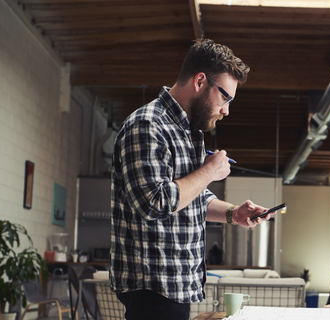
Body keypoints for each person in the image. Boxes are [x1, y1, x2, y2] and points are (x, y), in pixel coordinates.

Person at [110, 39, 273, 320]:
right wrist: (209, 171)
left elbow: (191, 196)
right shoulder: (148, 125)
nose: (226, 110)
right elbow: (156, 202)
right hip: (153, 288)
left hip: (176, 286)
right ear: (200, 81)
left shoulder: (189, 132)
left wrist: (234, 213)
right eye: (225, 97)